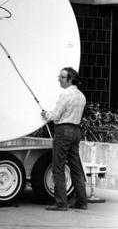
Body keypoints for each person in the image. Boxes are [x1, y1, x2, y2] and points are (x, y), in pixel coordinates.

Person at [41, 67, 87, 211]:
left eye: (62, 77)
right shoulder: (81, 96)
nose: (59, 79)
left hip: (63, 131)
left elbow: (55, 116)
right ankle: (82, 202)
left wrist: (45, 113)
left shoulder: (65, 95)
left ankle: (61, 203)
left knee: (58, 167)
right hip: (76, 131)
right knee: (76, 167)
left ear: (70, 79)